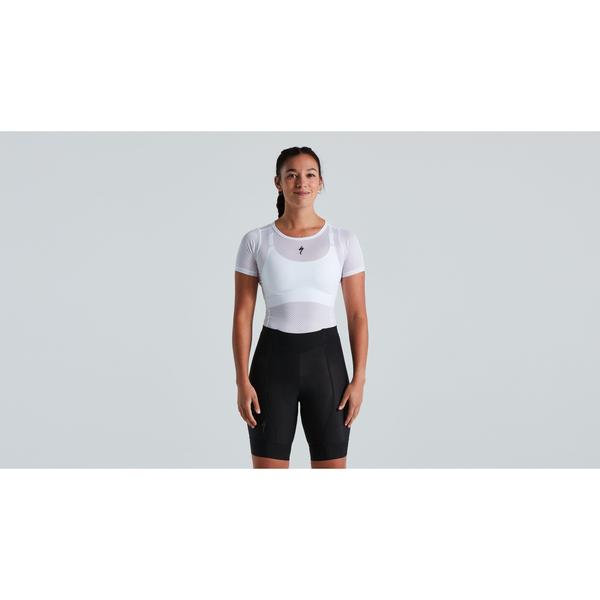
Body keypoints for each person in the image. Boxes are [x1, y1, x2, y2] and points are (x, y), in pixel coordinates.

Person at [232, 146, 368, 469]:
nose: (301, 182)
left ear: (321, 182)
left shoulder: (343, 241)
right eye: (291, 175)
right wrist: (241, 381)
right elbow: (242, 315)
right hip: (272, 366)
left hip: (327, 365)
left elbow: (357, 315)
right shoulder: (256, 241)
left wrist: (359, 378)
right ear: (278, 182)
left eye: (309, 175)